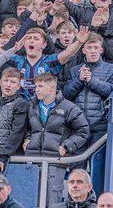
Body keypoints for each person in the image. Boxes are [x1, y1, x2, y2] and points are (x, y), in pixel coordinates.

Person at [24, 73, 91, 205]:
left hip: (55, 162)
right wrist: (27, 140)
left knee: (52, 202)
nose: (36, 89)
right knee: (30, 201)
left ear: (52, 88)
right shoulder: (32, 105)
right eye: (36, 86)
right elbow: (28, 128)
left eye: (40, 86)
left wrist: (66, 146)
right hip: (32, 161)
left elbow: (83, 130)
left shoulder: (68, 107)